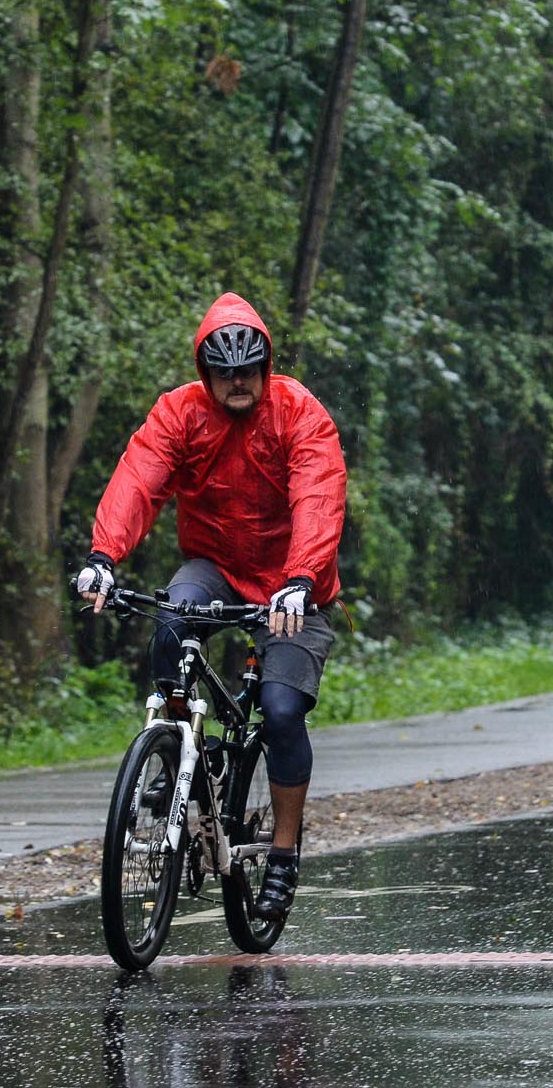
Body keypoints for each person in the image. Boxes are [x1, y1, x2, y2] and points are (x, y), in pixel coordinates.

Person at [75, 293, 346, 922]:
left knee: (281, 712)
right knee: (170, 624)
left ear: (264, 368)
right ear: (206, 373)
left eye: (248, 371)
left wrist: (301, 577)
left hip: (292, 581)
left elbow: (318, 494)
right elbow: (139, 478)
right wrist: (103, 556)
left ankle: (283, 854)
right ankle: (177, 749)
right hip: (216, 566)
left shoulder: (298, 411)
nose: (238, 383)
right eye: (225, 373)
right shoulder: (180, 412)